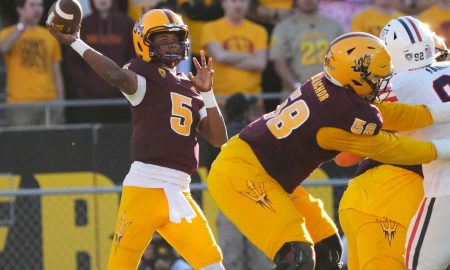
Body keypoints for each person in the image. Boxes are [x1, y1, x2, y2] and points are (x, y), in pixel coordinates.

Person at [206, 31, 450, 270]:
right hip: (242, 173)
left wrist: (442, 111)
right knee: (297, 257)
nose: (383, 83)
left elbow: (388, 115)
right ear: (355, 76)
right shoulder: (340, 114)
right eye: (377, 77)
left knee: (328, 251)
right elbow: (391, 148)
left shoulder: (334, 87)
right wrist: (444, 148)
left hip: (271, 176)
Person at [48, 8, 227, 270]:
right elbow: (116, 76)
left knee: (213, 264)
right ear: (145, 43)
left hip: (180, 191)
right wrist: (76, 41)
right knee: (121, 266)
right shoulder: (142, 73)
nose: (172, 45)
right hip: (145, 187)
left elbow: (219, 139)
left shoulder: (190, 87)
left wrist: (208, 93)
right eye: (163, 40)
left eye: (175, 39)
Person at [65, 0, 135, 124]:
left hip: (121, 98)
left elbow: (133, 58)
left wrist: (124, 81)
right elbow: (73, 61)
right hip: (90, 99)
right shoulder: (83, 25)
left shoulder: (127, 24)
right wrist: (85, 83)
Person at [0, 0, 64, 126]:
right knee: (23, 144)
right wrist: (22, 24)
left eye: (40, 5)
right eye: (32, 5)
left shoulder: (50, 36)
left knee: (50, 143)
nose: (37, 9)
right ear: (20, 9)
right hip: (20, 103)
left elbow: (56, 72)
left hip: (49, 102)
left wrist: (60, 101)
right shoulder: (7, 33)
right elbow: (4, 48)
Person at [270, 0, 343, 93]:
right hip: (296, 93)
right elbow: (279, 64)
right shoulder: (283, 27)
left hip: (332, 90)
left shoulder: (334, 26)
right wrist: (298, 88)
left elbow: (345, 58)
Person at [202, 0, 268, 97]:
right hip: (220, 97)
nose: (238, 5)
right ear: (223, 3)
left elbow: (260, 64)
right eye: (233, 1)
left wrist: (227, 58)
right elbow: (220, 57)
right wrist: (249, 55)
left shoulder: (259, 31)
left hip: (252, 98)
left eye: (242, 1)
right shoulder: (210, 28)